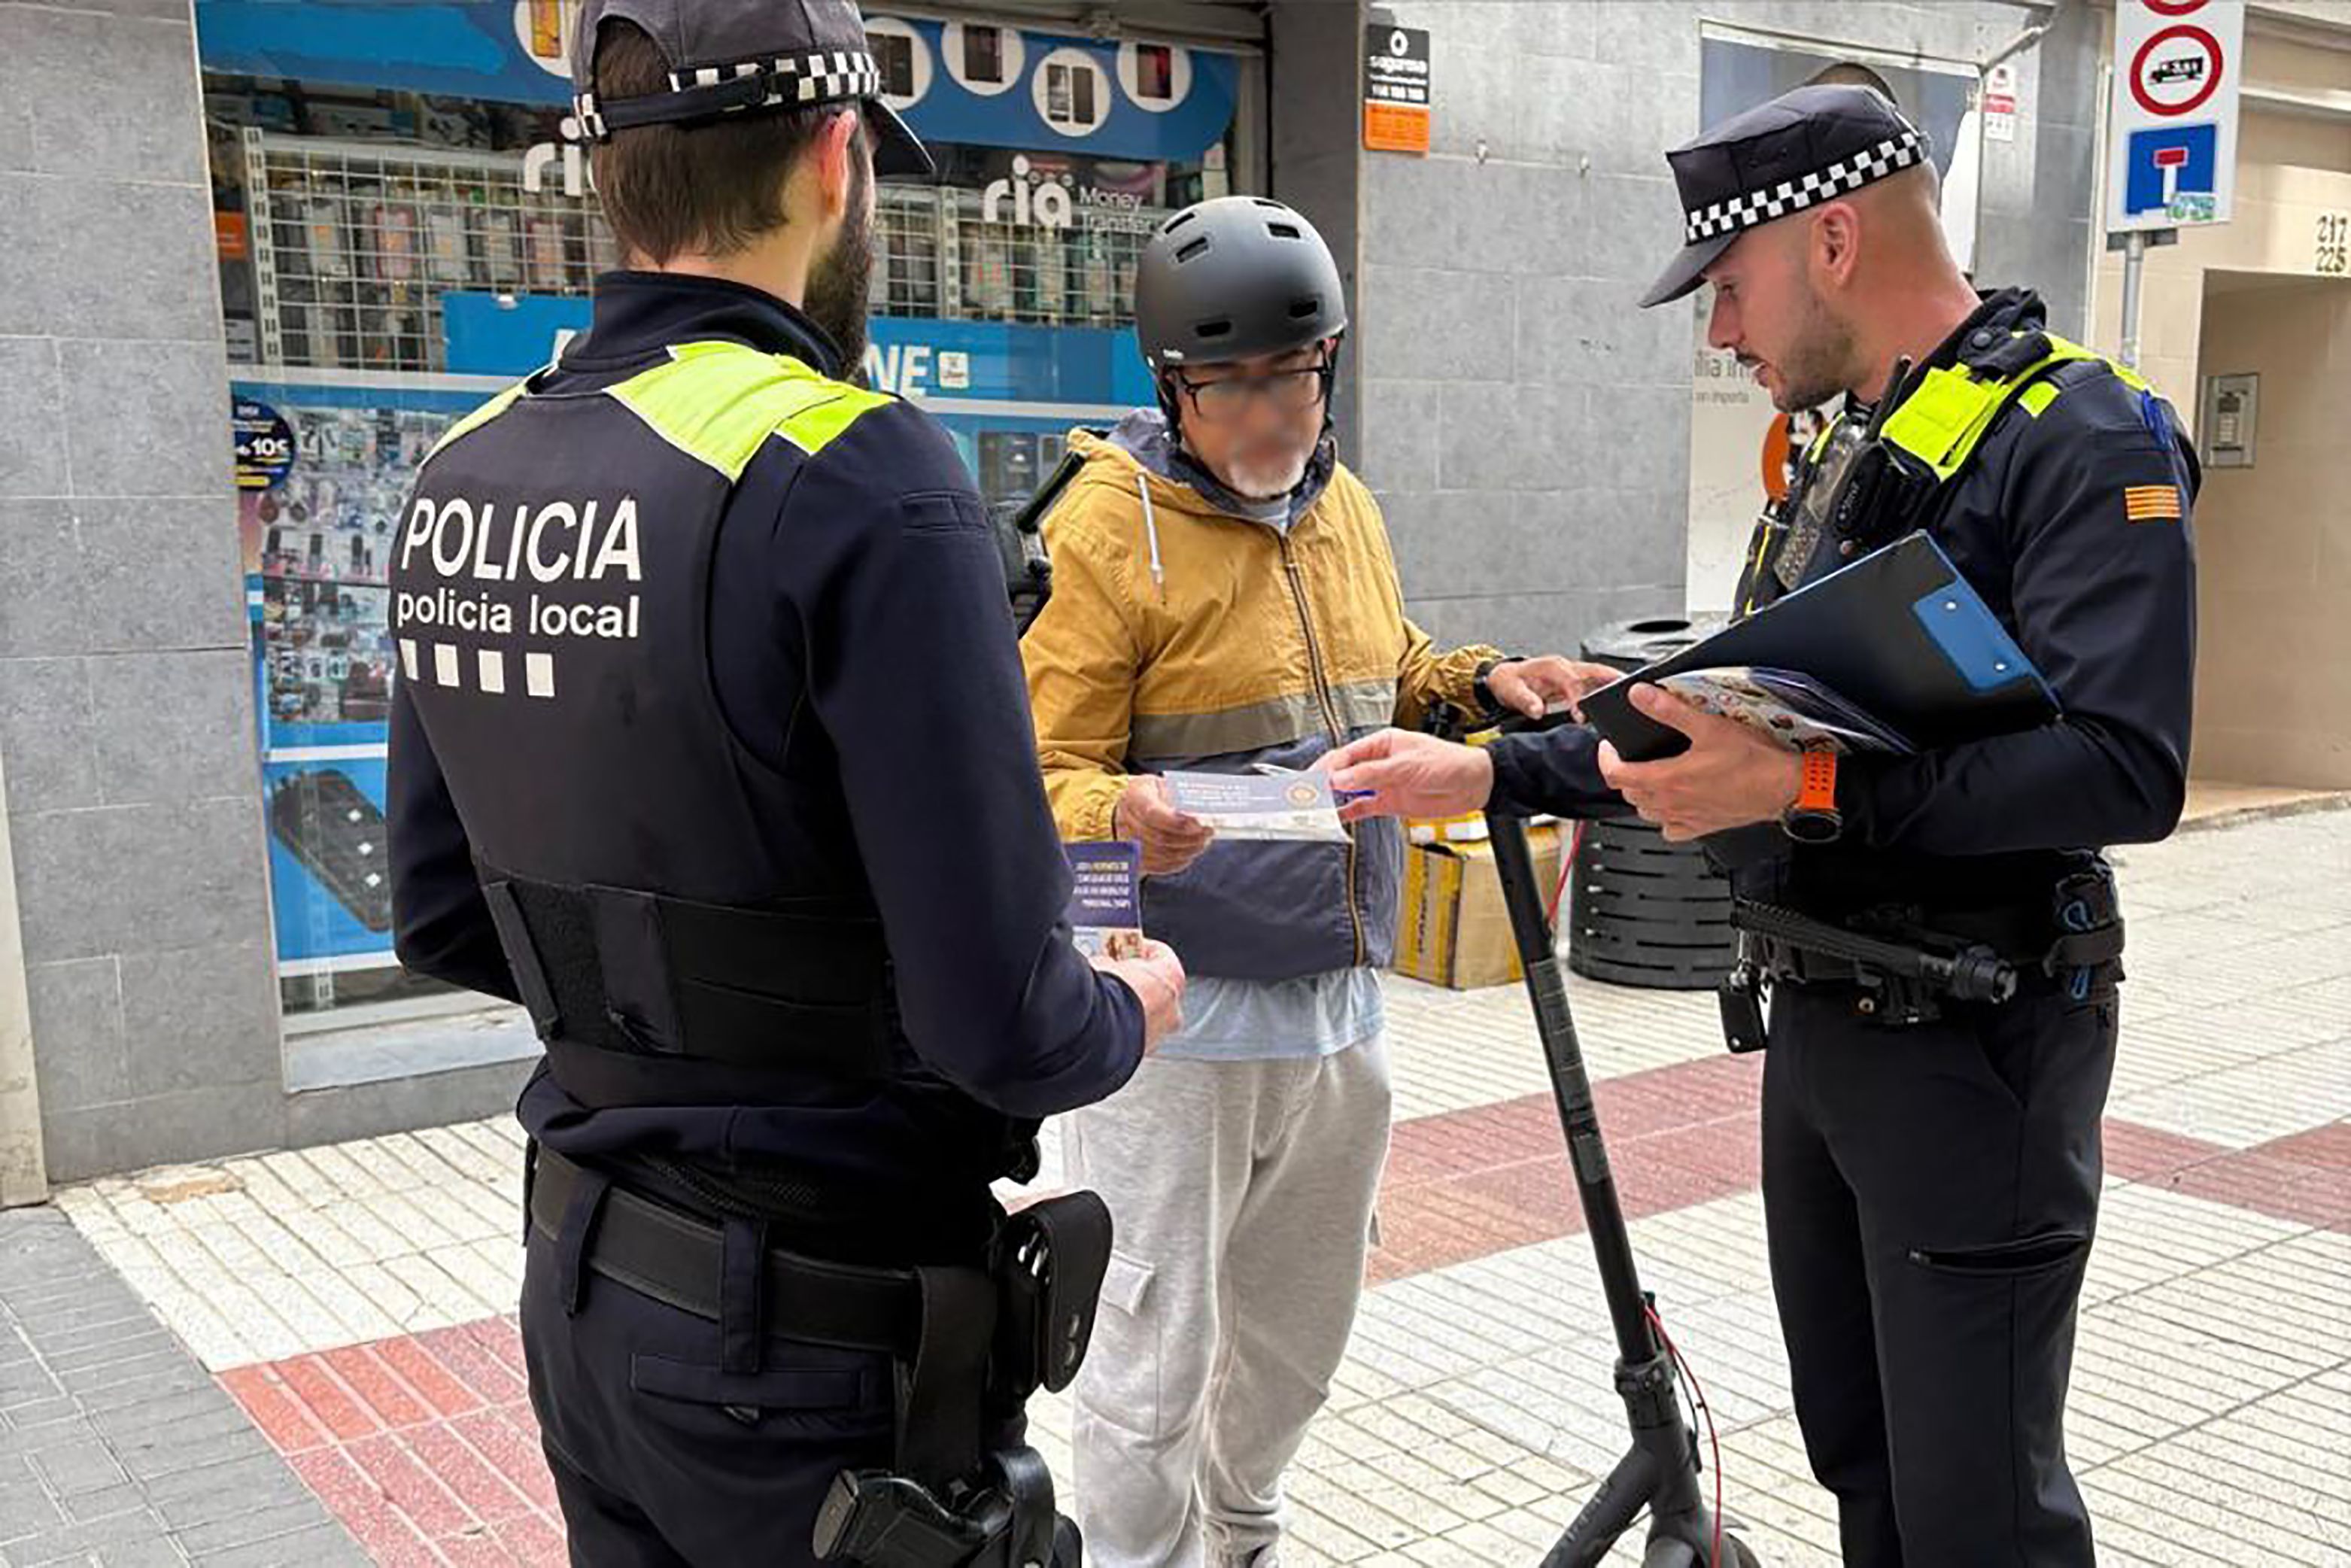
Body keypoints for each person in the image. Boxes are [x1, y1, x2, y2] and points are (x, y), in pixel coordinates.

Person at [1321, 84, 2197, 1568]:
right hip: (1827, 1031)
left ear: (1835, 241)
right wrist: (1487, 773)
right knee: (1863, 1455)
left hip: (1978, 1048)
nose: (1719, 332)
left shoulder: (2079, 439)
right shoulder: (1852, 450)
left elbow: (2127, 769)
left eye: (1729, 287)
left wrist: (1810, 791)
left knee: (1978, 1511)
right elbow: (1732, 739)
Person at [385, 2, 1185, 1562]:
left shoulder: (468, 466)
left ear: (609, 179)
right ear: (837, 162)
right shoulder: (855, 472)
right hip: (815, 1360)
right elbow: (1003, 1026)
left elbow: (439, 915)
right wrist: (1127, 1009)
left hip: (590, 1289)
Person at [1018, 195, 1606, 1568]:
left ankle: (1246, 1532)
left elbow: (1381, 664)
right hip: (1171, 1016)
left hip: (1338, 1002)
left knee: (1296, 1331)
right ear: (1172, 385)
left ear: (1328, 361)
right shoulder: (1105, 530)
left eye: (1291, 373)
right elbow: (1033, 773)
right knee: (1151, 1351)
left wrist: (1480, 684)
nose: (1268, 414)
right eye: (1229, 385)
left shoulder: (1346, 508)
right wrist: (1122, 810)